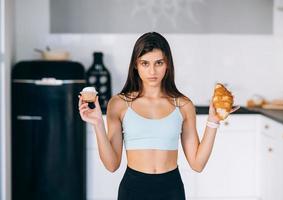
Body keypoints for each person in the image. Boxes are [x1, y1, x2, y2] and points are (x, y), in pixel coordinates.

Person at [78, 32, 238, 200]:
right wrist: (97, 124)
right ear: (135, 65)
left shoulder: (183, 105)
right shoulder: (118, 104)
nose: (152, 71)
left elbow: (197, 164)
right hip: (133, 190)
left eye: (159, 63)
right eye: (145, 63)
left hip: (172, 190)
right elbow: (111, 165)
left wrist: (213, 122)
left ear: (167, 64)